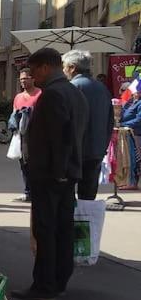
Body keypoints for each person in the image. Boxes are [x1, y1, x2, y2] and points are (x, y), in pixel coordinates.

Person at [13, 47, 88, 300]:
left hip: (52, 174)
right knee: (62, 227)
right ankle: (59, 280)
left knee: (46, 228)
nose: (32, 76)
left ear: (45, 67)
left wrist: (57, 172)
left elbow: (59, 139)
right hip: (67, 172)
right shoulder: (74, 92)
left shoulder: (53, 94)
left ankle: (45, 286)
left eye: (34, 71)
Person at [63, 50, 115, 200]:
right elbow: (109, 121)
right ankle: (83, 223)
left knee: (66, 196)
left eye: (65, 67)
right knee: (88, 198)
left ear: (72, 67)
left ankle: (69, 223)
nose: (63, 70)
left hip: (73, 152)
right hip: (96, 151)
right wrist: (102, 146)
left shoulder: (71, 87)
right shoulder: (102, 88)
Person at [10, 68, 42, 202]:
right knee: (24, 164)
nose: (23, 81)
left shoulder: (41, 94)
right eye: (21, 79)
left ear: (33, 78)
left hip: (37, 136)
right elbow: (13, 114)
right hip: (22, 136)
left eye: (25, 78)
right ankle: (28, 191)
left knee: (37, 164)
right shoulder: (18, 97)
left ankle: (37, 191)